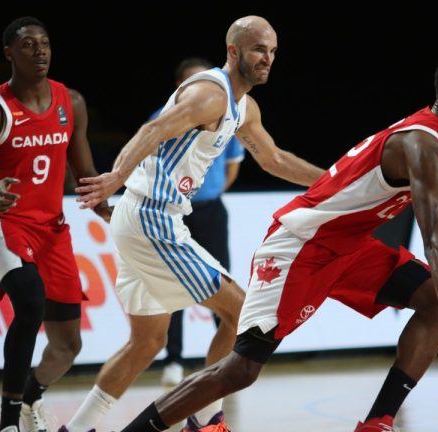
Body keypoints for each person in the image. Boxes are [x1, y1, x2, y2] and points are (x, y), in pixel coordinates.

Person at [117, 49, 438, 432]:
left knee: (432, 300)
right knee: (241, 370)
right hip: (301, 246)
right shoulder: (420, 146)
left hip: (349, 246)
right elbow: (434, 241)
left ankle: (376, 424)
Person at [62, 15, 324, 432]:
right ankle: (202, 419)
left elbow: (274, 159)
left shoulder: (243, 107)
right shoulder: (210, 94)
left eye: (273, 51)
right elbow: (154, 129)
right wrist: (115, 176)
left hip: (148, 218)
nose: (267, 59)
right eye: (259, 49)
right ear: (233, 50)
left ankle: (76, 428)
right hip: (152, 218)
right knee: (242, 313)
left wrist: (335, 182)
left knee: (147, 342)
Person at [0, 16, 110, 432]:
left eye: (45, 43)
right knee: (30, 302)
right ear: (9, 53)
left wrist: (105, 205)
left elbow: (84, 173)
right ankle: (7, 422)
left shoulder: (73, 103)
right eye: (29, 45)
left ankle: (31, 398)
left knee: (68, 346)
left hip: (51, 227)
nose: (41, 51)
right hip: (1, 220)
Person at [149, 58, 246, 392]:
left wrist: (211, 190)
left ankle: (231, 360)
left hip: (210, 210)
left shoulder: (227, 116)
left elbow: (232, 166)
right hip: (172, 213)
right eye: (194, 82)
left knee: (224, 282)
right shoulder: (161, 119)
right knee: (174, 288)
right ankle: (173, 360)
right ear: (180, 88)